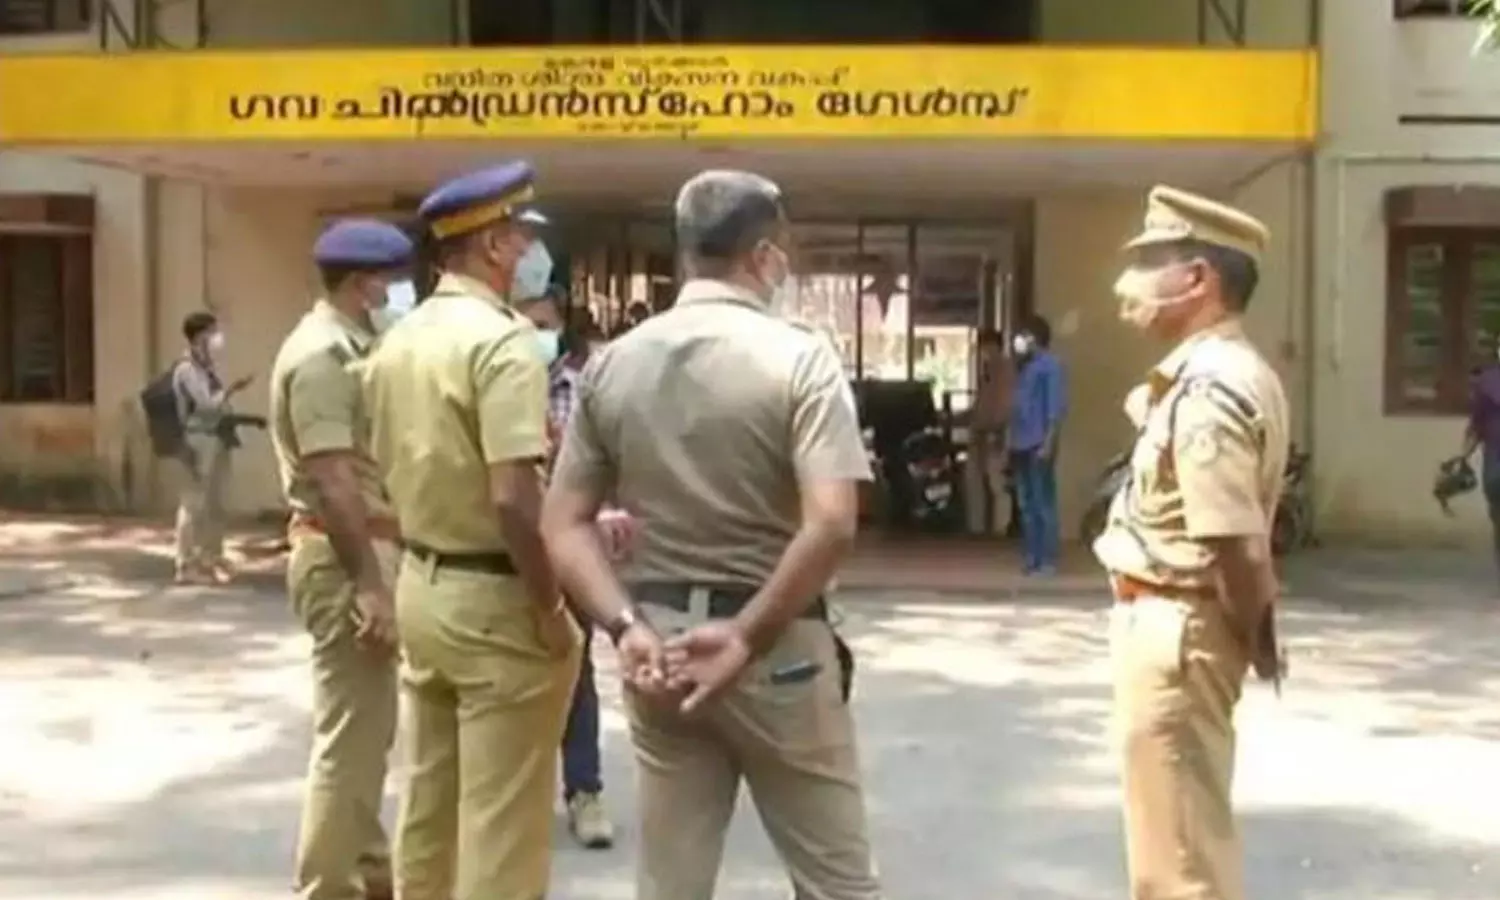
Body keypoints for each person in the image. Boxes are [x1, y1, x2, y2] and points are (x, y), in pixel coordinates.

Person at [542, 169, 883, 900]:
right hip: (777, 650)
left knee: (671, 883)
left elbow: (561, 523)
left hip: (659, 648)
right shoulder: (799, 358)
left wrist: (624, 626)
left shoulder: (613, 365)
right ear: (763, 255)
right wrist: (746, 637)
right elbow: (831, 522)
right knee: (838, 883)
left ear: (687, 251)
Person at [359, 162, 582, 900]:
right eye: (519, 237)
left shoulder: (399, 340)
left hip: (423, 583)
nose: (527, 253)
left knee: (429, 803)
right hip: (496, 597)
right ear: (490, 244)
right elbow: (514, 499)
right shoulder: (503, 343)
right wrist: (550, 607)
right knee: (503, 824)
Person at [1093, 185, 1289, 900]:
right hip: (1181, 625)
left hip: (1179, 627)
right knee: (1177, 844)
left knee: (1179, 865)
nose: (1126, 283)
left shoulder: (1210, 387)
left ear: (1197, 279)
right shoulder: (1215, 373)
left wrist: (1245, 632)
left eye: (1148, 262)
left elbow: (1236, 544)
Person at [269, 219, 417, 900]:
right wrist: (370, 586)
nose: (397, 294)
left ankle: (370, 875)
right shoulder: (323, 357)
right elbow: (333, 480)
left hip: (365, 547)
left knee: (368, 734)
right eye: (390, 282)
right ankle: (327, 887)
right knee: (350, 741)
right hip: (343, 554)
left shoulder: (355, 345)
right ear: (363, 285)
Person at [514, 282, 619, 849]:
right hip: (502, 551)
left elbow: (603, 470)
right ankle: (517, 796)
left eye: (542, 325)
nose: (533, 336)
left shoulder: (583, 392)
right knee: (507, 674)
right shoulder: (491, 383)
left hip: (567, 547)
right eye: (522, 323)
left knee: (576, 671)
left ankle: (585, 791)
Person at [171, 310, 254, 585]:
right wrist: (232, 389)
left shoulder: (206, 367)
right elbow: (206, 404)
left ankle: (210, 557)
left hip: (216, 438)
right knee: (193, 503)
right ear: (199, 337)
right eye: (212, 332)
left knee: (216, 502)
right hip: (197, 439)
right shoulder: (186, 369)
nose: (218, 338)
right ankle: (186, 564)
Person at [1008, 314, 1067, 574]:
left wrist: (1049, 442)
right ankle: (1032, 557)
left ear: (1035, 337)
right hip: (1020, 444)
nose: (1017, 341)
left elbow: (1055, 409)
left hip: (1039, 443)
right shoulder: (1025, 368)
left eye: (1022, 335)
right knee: (1026, 504)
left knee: (1043, 503)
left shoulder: (1051, 366)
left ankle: (1048, 560)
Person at [966, 329, 1015, 535]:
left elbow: (1003, 404)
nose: (983, 352)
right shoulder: (988, 370)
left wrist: (997, 428)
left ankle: (999, 528)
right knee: (977, 481)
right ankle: (979, 528)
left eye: (985, 347)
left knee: (997, 483)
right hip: (982, 431)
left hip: (994, 432)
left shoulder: (1004, 370)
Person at [1460, 346, 1500, 582]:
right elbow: (1477, 424)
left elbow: (1476, 425)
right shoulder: (1486, 381)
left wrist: (1463, 457)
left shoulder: (1486, 383)